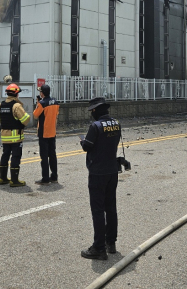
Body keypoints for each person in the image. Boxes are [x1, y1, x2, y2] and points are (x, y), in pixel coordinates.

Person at [80, 97, 121, 261]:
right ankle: (111, 243)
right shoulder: (116, 123)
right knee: (111, 207)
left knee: (98, 210)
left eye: (92, 111)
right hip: (112, 171)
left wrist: (82, 141)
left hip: (98, 173)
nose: (91, 114)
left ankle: (98, 248)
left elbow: (87, 146)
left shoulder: (95, 126)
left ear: (96, 111)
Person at [0, 83, 31, 187]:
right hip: (16, 137)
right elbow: (26, 120)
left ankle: (2, 178)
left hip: (4, 136)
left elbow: (0, 119)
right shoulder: (16, 106)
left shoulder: (1, 105)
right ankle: (14, 180)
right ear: (16, 94)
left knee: (5, 155)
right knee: (16, 157)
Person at [33, 84, 60, 185]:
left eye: (40, 91)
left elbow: (35, 115)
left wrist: (38, 103)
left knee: (44, 157)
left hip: (44, 133)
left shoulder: (42, 103)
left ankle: (45, 178)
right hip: (52, 132)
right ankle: (54, 176)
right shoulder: (55, 102)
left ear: (42, 93)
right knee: (52, 155)